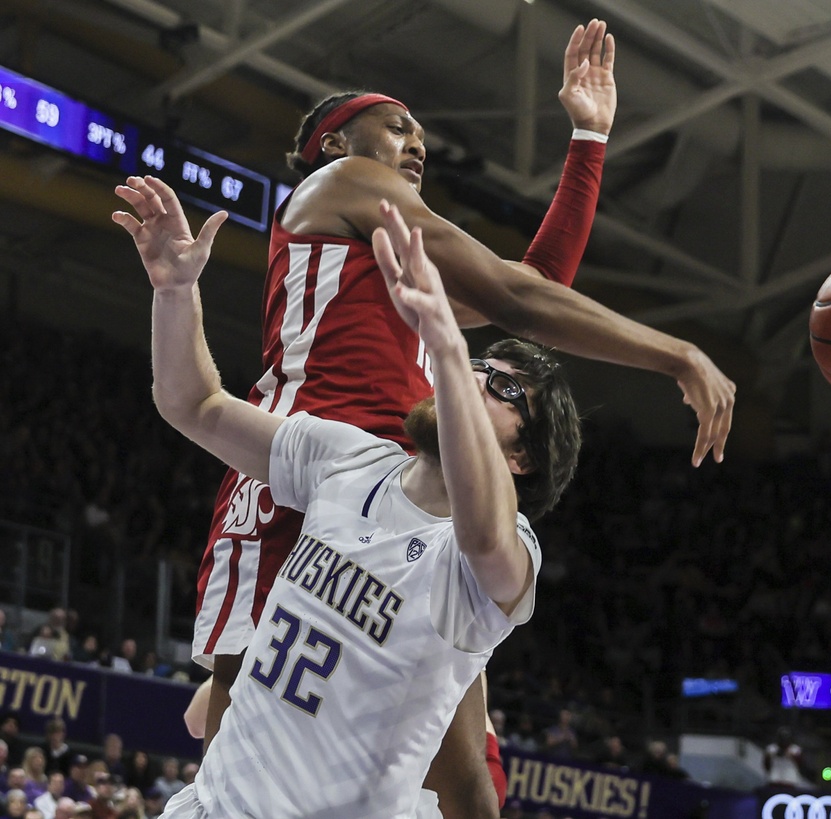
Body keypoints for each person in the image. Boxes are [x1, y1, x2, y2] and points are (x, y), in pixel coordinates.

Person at [116, 16, 734, 818]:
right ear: (335, 144)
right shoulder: (338, 189)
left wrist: (587, 138)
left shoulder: (406, 285)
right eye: (398, 125)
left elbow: (532, 282)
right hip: (299, 483)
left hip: (411, 502)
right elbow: (523, 299)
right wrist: (676, 353)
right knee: (251, 748)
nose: (416, 146)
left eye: (422, 139)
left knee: (471, 774)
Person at [117, 168, 580, 817]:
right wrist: (175, 292)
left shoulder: (502, 556)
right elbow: (194, 406)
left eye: (502, 390)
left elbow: (484, 533)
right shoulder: (349, 458)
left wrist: (448, 348)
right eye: (479, 366)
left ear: (522, 456)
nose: (476, 379)